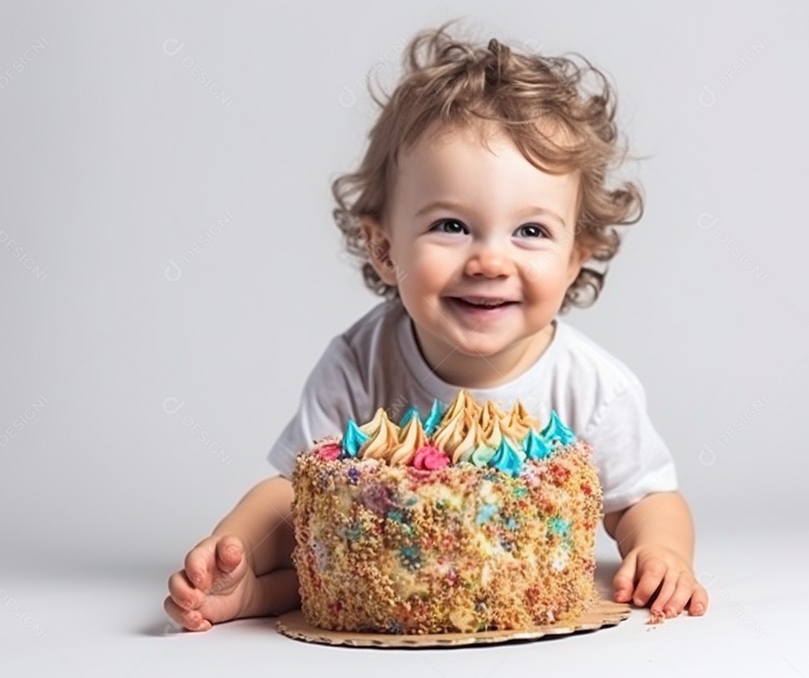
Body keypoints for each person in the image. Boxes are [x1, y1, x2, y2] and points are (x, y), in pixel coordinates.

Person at [164, 21, 708, 632]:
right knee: (326, 569)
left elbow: (645, 499)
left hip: (526, 592)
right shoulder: (362, 363)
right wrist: (232, 545)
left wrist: (661, 551)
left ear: (576, 257)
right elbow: (295, 495)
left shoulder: (592, 387)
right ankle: (247, 594)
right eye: (451, 226)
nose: (490, 261)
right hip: (383, 589)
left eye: (531, 231)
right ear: (384, 246)